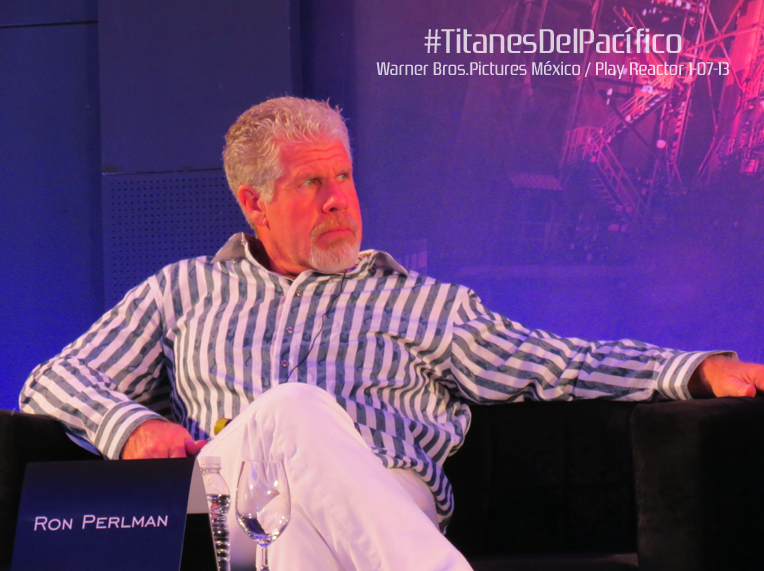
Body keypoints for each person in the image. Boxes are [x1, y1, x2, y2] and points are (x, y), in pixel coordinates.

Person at [19, 96, 764, 570]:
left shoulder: (422, 303)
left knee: (298, 538)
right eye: (313, 183)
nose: (338, 200)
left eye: (344, 177)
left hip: (385, 492)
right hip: (227, 498)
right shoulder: (183, 290)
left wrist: (696, 370)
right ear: (254, 203)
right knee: (292, 409)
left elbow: (557, 362)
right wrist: (131, 427)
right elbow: (51, 381)